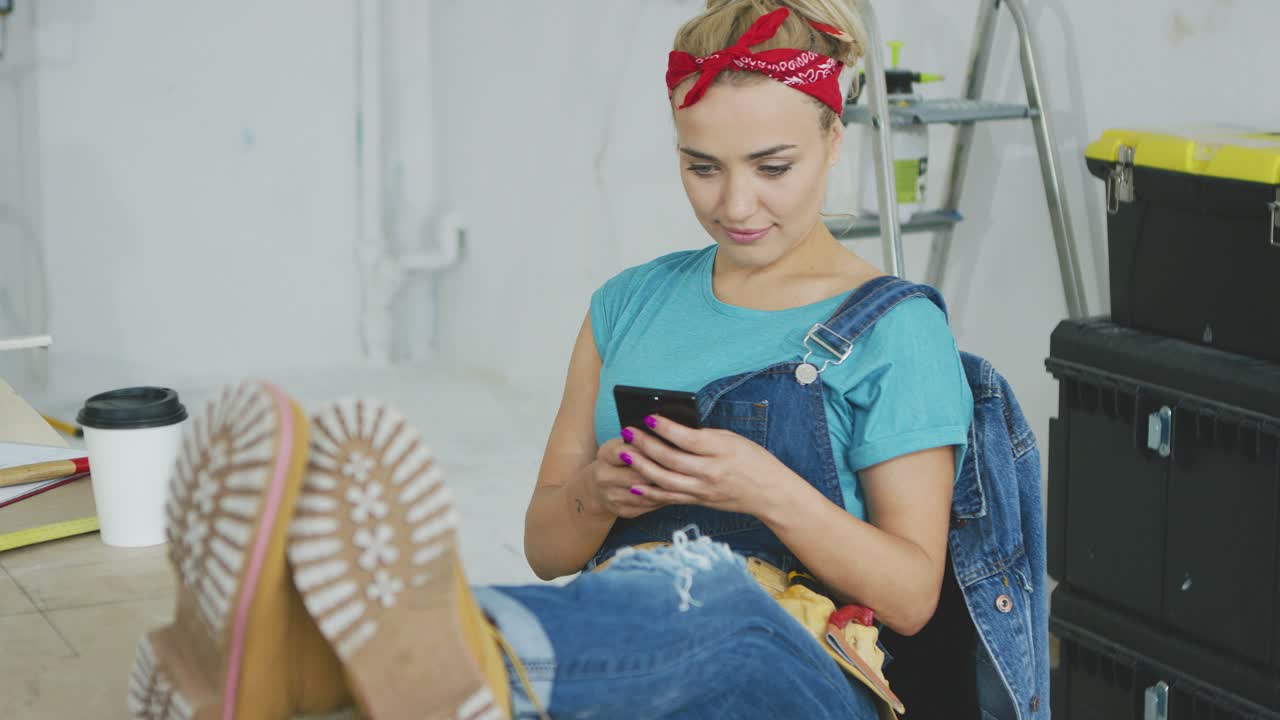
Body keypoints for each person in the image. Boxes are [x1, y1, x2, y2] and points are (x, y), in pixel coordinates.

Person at [129, 2, 974, 719]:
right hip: (624, 643)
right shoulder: (629, 303)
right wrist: (594, 492)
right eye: (701, 167)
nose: (735, 204)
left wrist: (763, 490)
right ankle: (345, 671)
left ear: (834, 139)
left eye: (773, 166)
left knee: (716, 596)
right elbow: (549, 549)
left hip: (800, 668)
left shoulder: (895, 328)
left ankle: (373, 661)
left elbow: (909, 595)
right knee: (624, 596)